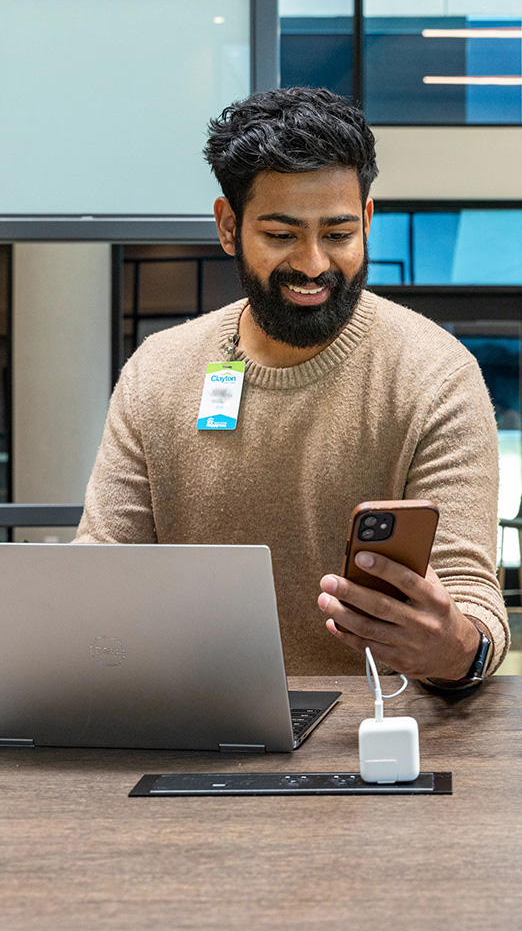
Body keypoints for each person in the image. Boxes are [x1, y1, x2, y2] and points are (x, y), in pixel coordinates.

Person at [75, 86, 509, 684]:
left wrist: (456, 647)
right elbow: (102, 570)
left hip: (379, 731)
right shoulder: (159, 372)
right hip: (193, 722)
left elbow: (473, 606)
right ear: (229, 227)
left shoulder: (437, 375)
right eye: (281, 235)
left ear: (366, 219)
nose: (312, 264)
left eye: (337, 234)